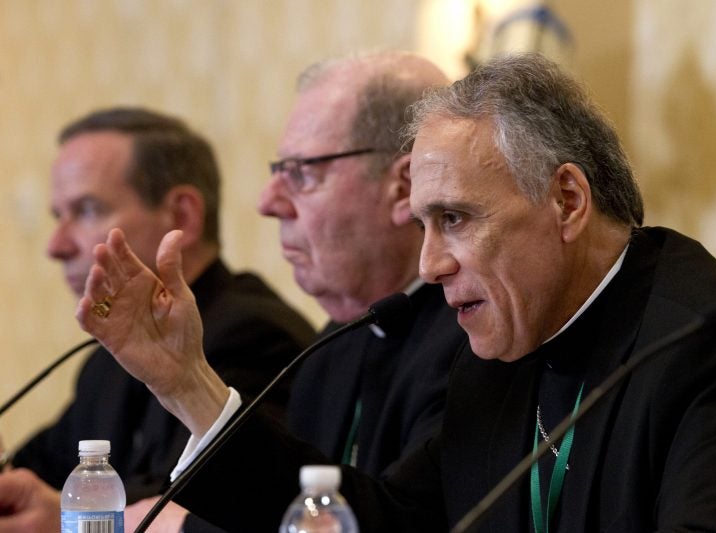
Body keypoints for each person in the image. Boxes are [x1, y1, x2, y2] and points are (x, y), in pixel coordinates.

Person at [12, 52, 716, 531]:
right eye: (424, 223)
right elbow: (384, 521)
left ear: (567, 202)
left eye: (456, 220)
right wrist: (186, 383)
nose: (432, 263)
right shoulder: (506, 339)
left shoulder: (711, 339)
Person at [124, 50, 465, 531]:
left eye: (302, 173)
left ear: (404, 187)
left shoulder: (475, 337)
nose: (269, 203)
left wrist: (189, 386)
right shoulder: (331, 348)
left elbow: (402, 523)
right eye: (278, 171)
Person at [2, 108, 315, 531]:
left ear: (182, 216)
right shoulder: (103, 360)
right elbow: (38, 470)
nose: (56, 245)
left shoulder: (254, 334)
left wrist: (65, 518)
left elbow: (203, 509)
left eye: (87, 209)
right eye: (58, 216)